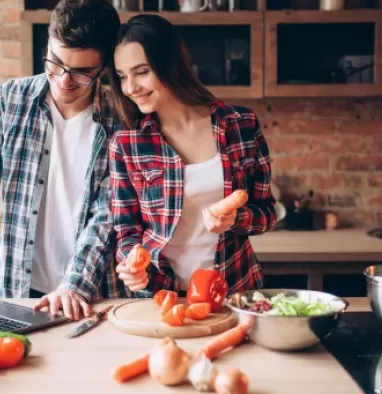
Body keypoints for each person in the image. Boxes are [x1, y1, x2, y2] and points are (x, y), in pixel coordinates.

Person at [0, 0, 128, 321]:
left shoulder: (121, 120)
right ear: (48, 43)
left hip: (92, 293)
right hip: (17, 289)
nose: (64, 80)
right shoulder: (7, 103)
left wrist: (74, 285)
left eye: (82, 72)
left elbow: (107, 215)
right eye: (55, 62)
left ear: (104, 67)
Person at [107, 14, 278, 296]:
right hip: (161, 296)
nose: (130, 88)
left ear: (172, 64)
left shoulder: (240, 124)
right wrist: (132, 265)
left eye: (142, 72)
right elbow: (127, 231)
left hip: (234, 290)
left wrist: (236, 219)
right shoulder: (126, 143)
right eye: (123, 76)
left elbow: (268, 213)